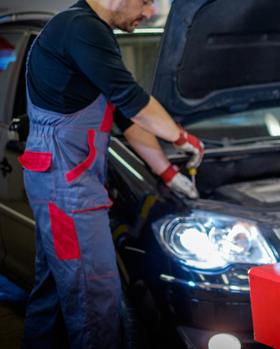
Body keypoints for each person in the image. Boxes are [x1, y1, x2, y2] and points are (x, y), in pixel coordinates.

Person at [18, 0, 204, 347]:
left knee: (55, 295)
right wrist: (183, 138)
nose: (150, 11)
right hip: (69, 191)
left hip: (60, 185)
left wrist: (167, 174)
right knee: (95, 300)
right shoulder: (81, 28)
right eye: (146, 1)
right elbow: (135, 102)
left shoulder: (85, 30)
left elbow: (125, 117)